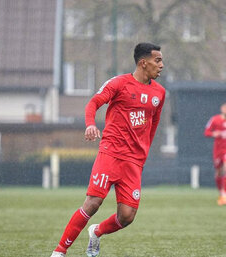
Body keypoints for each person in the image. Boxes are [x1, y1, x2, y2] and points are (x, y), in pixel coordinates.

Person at [50, 42, 165, 257]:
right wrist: (90, 124)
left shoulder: (159, 92)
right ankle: (60, 251)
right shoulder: (119, 84)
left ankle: (97, 231)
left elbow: (154, 123)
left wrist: (144, 153)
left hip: (133, 161)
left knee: (127, 216)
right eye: (157, 60)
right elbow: (93, 103)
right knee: (93, 202)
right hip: (111, 153)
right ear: (143, 62)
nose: (162, 65)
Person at [204, 102, 226, 206]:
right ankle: (220, 193)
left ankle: (225, 194)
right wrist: (214, 133)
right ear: (221, 109)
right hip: (218, 149)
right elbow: (206, 132)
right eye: (225, 108)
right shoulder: (215, 119)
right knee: (219, 171)